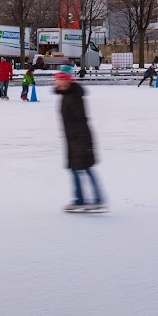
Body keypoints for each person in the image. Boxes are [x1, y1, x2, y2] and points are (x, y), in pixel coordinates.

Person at [55, 65, 106, 213]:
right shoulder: (67, 95)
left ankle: (97, 200)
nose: (57, 82)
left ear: (67, 80)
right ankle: (80, 200)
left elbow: (81, 121)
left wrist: (81, 143)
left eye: (60, 79)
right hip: (73, 139)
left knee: (85, 168)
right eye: (57, 79)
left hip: (80, 139)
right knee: (75, 169)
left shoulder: (73, 97)